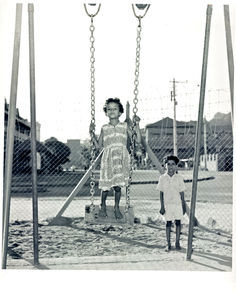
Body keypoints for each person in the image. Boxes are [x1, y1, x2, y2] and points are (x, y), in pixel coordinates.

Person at [90, 98, 141, 219]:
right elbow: (98, 146)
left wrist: (137, 125)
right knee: (106, 186)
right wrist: (91, 133)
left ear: (120, 112)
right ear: (106, 112)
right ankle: (103, 205)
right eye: (109, 109)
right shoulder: (104, 128)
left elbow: (138, 140)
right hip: (108, 158)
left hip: (121, 158)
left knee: (117, 186)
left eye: (115, 108)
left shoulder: (125, 126)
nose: (112, 111)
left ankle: (116, 207)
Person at [157, 155, 186, 251]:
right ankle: (168, 243)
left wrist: (183, 205)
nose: (170, 166)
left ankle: (177, 242)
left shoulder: (179, 178)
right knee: (168, 223)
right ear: (165, 165)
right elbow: (161, 193)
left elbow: (182, 193)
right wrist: (162, 206)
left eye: (173, 164)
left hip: (177, 204)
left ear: (176, 166)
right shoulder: (162, 178)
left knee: (178, 222)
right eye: (168, 164)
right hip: (167, 205)